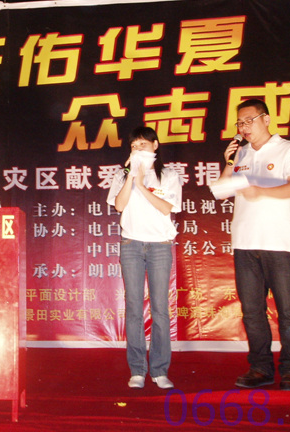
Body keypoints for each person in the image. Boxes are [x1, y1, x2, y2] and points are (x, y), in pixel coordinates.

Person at [221, 98, 290, 391]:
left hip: (279, 243)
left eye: (250, 120)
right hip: (245, 243)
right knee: (252, 311)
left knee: (288, 309)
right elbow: (221, 191)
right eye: (240, 123)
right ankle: (260, 368)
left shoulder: (288, 149)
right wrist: (229, 162)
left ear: (266, 119)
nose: (244, 127)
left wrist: (261, 191)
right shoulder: (241, 153)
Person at [106, 126, 182, 389]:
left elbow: (166, 208)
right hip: (131, 245)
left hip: (160, 245)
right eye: (134, 145)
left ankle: (160, 370)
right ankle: (137, 369)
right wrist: (131, 176)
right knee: (134, 308)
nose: (138, 149)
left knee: (160, 308)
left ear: (155, 145)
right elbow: (119, 205)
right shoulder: (121, 174)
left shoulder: (168, 175)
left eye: (143, 144)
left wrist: (142, 185)